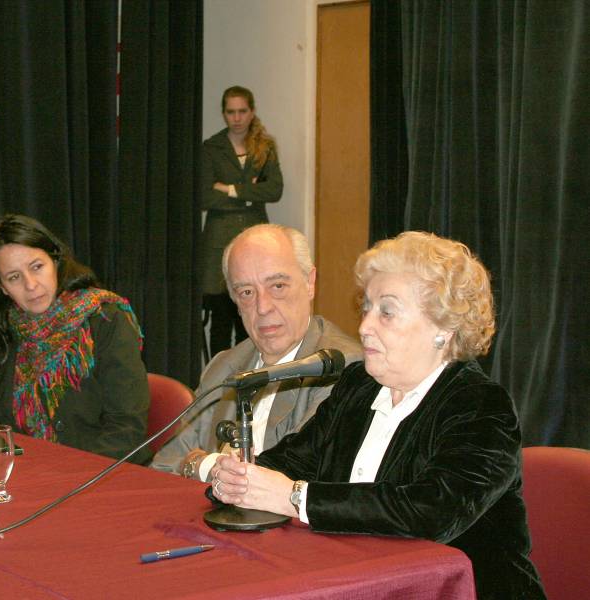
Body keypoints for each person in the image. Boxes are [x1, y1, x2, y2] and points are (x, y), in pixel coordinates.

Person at [210, 231, 546, 600]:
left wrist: (293, 498)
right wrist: (242, 476)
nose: (365, 326)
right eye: (367, 308)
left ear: (444, 329)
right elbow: (295, 459)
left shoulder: (480, 406)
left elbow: (430, 511)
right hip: (354, 584)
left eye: (386, 312)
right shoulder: (359, 384)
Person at [151, 224, 361, 480]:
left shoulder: (341, 366)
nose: (263, 307)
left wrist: (199, 463)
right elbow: (164, 465)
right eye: (247, 292)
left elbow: (296, 474)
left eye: (278, 286)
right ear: (235, 301)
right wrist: (207, 467)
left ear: (309, 283)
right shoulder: (225, 365)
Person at [0, 214, 151, 464]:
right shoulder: (0, 334)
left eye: (36, 267)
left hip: (99, 477)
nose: (30, 285)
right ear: (2, 288)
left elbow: (126, 431)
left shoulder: (105, 320)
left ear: (55, 261)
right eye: (14, 277)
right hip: (28, 477)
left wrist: (63, 479)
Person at [202, 85, 283, 359]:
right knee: (222, 317)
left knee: (250, 315)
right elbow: (203, 196)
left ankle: (250, 376)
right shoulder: (212, 147)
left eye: (242, 111)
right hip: (219, 241)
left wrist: (230, 189)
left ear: (252, 112)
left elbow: (274, 191)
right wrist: (249, 194)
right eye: (230, 112)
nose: (236, 118)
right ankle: (219, 381)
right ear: (224, 114)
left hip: (255, 237)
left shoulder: (265, 146)